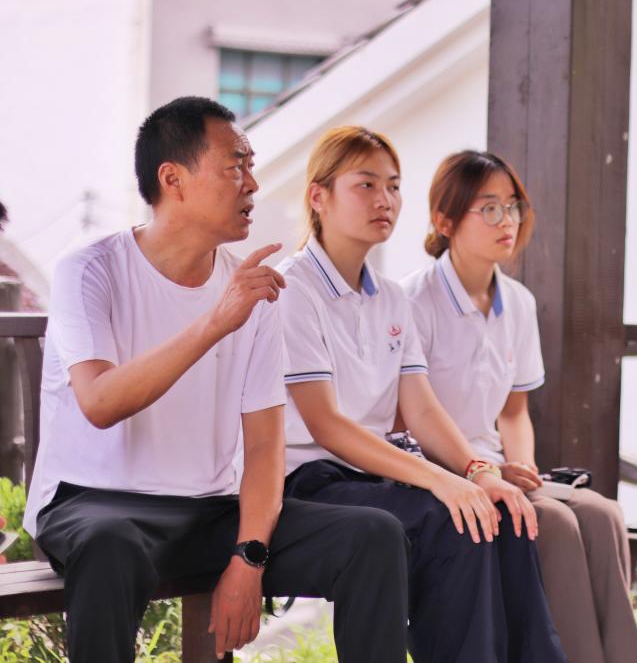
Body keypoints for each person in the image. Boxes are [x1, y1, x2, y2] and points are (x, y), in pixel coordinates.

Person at [22, 97, 409, 663]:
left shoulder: (253, 290)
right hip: (93, 504)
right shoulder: (89, 268)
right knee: (112, 544)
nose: (252, 183)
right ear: (173, 180)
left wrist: (249, 556)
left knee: (373, 535)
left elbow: (265, 446)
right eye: (234, 167)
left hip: (207, 511)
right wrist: (216, 322)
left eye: (251, 166)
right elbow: (100, 402)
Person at [276, 126, 566, 663]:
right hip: (306, 480)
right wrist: (441, 479)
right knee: (452, 518)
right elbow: (326, 426)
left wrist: (479, 473)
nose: (385, 200)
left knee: (502, 512)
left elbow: (422, 407)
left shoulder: (389, 298)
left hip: (371, 477)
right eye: (366, 185)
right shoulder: (292, 289)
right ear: (319, 197)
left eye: (393, 186)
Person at [402, 150, 637, 663]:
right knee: (552, 522)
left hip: (495, 469)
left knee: (604, 513)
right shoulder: (413, 302)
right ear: (445, 220)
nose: (507, 221)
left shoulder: (518, 301)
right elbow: (407, 419)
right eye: (489, 208)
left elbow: (514, 412)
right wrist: (485, 472)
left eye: (512, 206)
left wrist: (524, 470)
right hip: (438, 475)